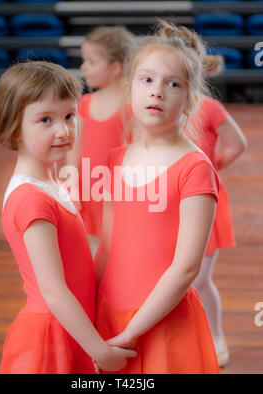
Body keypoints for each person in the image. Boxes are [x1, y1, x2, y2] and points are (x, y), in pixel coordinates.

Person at [0, 61, 136, 374]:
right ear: (15, 127)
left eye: (70, 116)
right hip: (51, 337)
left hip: (73, 329)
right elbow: (54, 291)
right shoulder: (32, 200)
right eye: (45, 119)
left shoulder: (52, 183)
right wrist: (102, 352)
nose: (63, 130)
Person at [94, 23, 221, 374]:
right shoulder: (116, 159)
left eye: (173, 83)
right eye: (147, 80)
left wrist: (132, 333)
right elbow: (107, 246)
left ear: (190, 100)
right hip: (110, 314)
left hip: (163, 324)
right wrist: (89, 311)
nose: (157, 92)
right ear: (129, 88)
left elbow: (185, 269)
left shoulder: (195, 169)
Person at [159, 21, 248, 367]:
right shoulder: (160, 104)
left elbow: (238, 143)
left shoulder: (208, 108)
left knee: (198, 277)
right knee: (175, 272)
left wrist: (213, 167)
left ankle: (215, 335)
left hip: (205, 200)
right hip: (169, 202)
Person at [68, 26, 135, 257]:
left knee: (123, 252)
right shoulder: (84, 103)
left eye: (91, 61)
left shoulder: (133, 106)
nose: (83, 67)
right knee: (94, 254)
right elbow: (73, 151)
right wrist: (72, 186)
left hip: (121, 194)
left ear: (115, 67)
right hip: (90, 194)